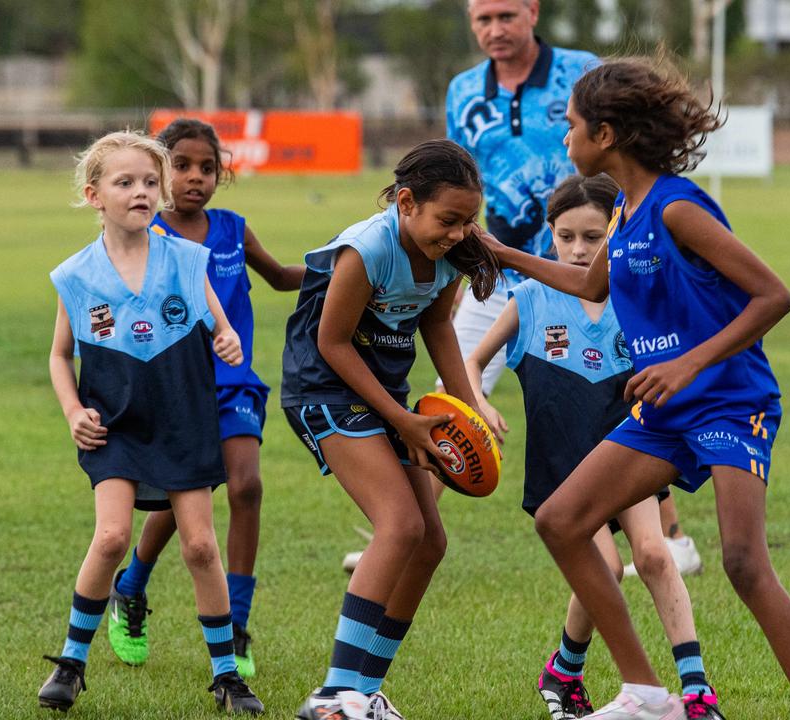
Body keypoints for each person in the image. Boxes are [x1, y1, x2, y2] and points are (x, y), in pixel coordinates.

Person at [482, 57, 790, 720]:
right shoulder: (625, 209)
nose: (566, 138)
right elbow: (590, 286)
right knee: (561, 520)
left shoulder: (677, 208)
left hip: (730, 399)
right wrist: (502, 255)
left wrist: (686, 365)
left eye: (573, 126)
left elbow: (773, 296)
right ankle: (647, 692)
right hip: (666, 413)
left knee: (742, 563)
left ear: (607, 134)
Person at [465, 174, 723, 720]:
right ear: (549, 237)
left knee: (654, 555)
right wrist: (479, 405)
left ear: (614, 232)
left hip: (628, 456)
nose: (578, 250)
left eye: (591, 237)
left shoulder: (631, 298)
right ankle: (564, 670)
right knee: (603, 568)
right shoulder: (531, 298)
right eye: (566, 237)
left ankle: (697, 690)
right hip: (563, 471)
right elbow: (471, 359)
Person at [37, 131, 263, 715]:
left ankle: (226, 676)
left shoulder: (187, 260)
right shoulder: (76, 275)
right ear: (95, 195)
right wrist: (71, 412)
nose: (141, 191)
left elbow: (218, 319)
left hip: (183, 421)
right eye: (125, 182)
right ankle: (70, 663)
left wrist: (227, 336)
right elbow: (61, 355)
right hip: (114, 424)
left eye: (148, 182)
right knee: (111, 537)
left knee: (200, 547)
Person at [283, 139, 502, 720]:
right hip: (325, 389)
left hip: (386, 398)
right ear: (406, 202)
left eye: (468, 222)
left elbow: (436, 324)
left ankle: (365, 690)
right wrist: (403, 420)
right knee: (400, 526)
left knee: (430, 542)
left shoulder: (451, 252)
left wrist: (466, 404)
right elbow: (331, 344)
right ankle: (333, 696)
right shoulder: (368, 248)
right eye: (447, 220)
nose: (458, 233)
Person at [104, 119, 303, 676]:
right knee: (183, 497)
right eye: (182, 166)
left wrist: (344, 261)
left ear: (222, 173)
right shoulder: (147, 234)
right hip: (172, 387)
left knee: (246, 485)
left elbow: (283, 276)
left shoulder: (234, 228)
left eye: (207, 167)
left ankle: (236, 625)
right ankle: (132, 587)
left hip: (233, 380)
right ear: (160, 172)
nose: (195, 177)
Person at [443, 0, 599, 395]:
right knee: (453, 403)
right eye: (484, 19)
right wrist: (458, 273)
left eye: (506, 16)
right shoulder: (462, 91)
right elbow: (458, 186)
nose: (495, 30)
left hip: (583, 273)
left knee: (595, 402)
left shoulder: (583, 72)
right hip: (496, 275)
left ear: (533, 12)